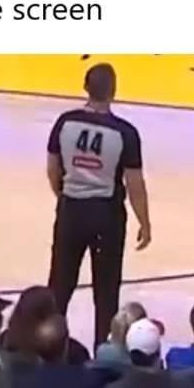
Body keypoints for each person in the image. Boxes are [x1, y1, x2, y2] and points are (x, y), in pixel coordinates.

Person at [45, 62, 151, 344]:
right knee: (106, 293)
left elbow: (53, 167)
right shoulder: (125, 132)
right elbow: (135, 183)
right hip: (106, 215)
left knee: (59, 285)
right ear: (114, 90)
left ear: (85, 87)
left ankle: (49, 347)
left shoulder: (65, 122)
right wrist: (144, 222)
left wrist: (63, 195)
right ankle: (103, 353)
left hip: (71, 209)